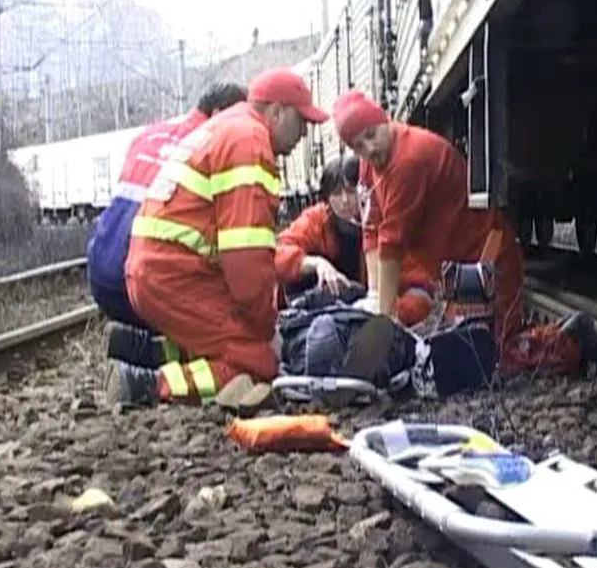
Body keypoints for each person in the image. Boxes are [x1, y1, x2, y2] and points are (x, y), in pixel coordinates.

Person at [115, 68, 329, 410]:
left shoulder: (227, 126)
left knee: (221, 338)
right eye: (301, 120)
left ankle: (144, 352)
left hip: (153, 268)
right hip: (175, 275)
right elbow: (245, 260)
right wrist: (265, 326)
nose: (304, 133)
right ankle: (150, 385)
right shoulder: (251, 144)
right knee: (257, 362)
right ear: (277, 111)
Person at [331, 89, 525, 352]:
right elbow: (372, 230)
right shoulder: (370, 163)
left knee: (504, 354)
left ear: (383, 119)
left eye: (371, 135)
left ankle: (573, 341)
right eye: (357, 146)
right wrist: (376, 296)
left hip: (487, 258)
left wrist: (385, 318)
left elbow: (391, 243)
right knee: (474, 358)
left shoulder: (408, 160)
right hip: (459, 270)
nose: (369, 148)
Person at [88, 82, 248, 369]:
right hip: (140, 287)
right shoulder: (210, 145)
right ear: (219, 113)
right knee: (231, 337)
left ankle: (136, 336)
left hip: (100, 278)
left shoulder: (147, 135)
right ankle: (155, 350)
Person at [274, 153, 436, 327]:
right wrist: (315, 263)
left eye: (351, 192)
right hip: (310, 317)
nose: (345, 201)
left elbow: (420, 286)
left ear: (364, 190)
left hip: (363, 322)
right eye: (336, 193)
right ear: (327, 197)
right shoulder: (316, 220)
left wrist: (391, 310)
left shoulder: (385, 226)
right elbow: (275, 255)